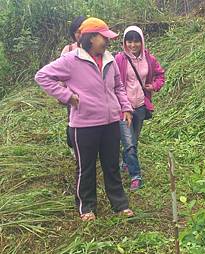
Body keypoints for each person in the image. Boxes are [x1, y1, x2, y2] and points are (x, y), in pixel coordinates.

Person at [35, 17, 134, 221]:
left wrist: (125, 107)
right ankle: (86, 207)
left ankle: (120, 204)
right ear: (90, 38)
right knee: (86, 168)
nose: (107, 41)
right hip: (84, 125)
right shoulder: (71, 60)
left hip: (110, 123)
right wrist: (67, 97)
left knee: (112, 165)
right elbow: (42, 76)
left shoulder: (109, 58)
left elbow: (118, 86)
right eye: (103, 37)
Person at [115, 26, 165, 191]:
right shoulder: (119, 60)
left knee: (133, 141)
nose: (133, 45)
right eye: (129, 41)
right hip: (125, 108)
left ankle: (126, 162)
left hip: (141, 106)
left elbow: (160, 75)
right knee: (129, 143)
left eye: (136, 41)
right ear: (125, 42)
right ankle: (136, 176)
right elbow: (113, 82)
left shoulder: (149, 59)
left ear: (141, 41)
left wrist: (154, 86)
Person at [60, 16, 85, 155]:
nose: (80, 34)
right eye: (77, 31)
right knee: (73, 122)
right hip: (73, 96)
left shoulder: (95, 49)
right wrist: (63, 94)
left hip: (91, 96)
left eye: (83, 30)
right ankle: (73, 145)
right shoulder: (68, 49)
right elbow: (60, 75)